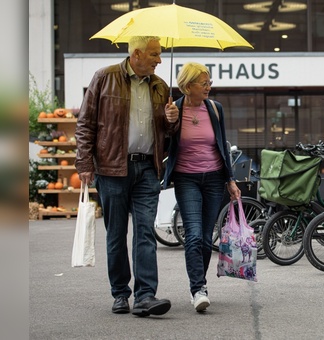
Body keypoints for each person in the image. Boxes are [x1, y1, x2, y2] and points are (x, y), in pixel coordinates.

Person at [75, 36, 180, 317]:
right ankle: (120, 292)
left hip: (147, 168)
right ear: (137, 54)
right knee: (116, 234)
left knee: (145, 232)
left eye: (159, 55)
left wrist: (172, 120)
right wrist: (84, 162)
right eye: (155, 54)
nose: (159, 59)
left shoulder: (160, 86)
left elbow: (166, 134)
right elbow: (85, 123)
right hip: (112, 168)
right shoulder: (104, 78)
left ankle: (145, 295)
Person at [163, 62, 241, 312]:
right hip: (187, 179)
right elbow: (163, 145)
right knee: (194, 235)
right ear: (187, 86)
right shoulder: (173, 110)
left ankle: (200, 285)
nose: (209, 86)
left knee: (207, 239)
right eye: (204, 83)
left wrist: (230, 179)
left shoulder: (215, 109)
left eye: (210, 82)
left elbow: (222, 146)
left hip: (214, 179)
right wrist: (168, 123)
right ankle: (198, 289)